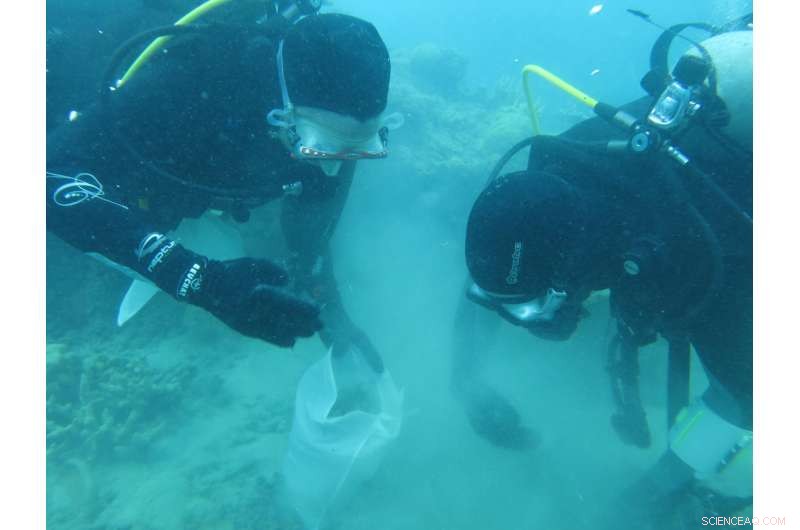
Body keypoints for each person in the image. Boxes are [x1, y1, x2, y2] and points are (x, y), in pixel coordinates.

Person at [453, 20, 752, 527]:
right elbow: (493, 280)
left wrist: (652, 493)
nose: (526, 321)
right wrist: (469, 381)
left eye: (531, 307)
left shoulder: (684, 252)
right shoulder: (555, 172)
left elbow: (746, 394)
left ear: (572, 272)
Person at [46, 3, 396, 371]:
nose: (330, 166)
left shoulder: (341, 116)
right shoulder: (185, 81)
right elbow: (46, 173)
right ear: (282, 110)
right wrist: (200, 281)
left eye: (358, 149)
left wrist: (329, 307)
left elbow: (312, 224)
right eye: (319, 147)